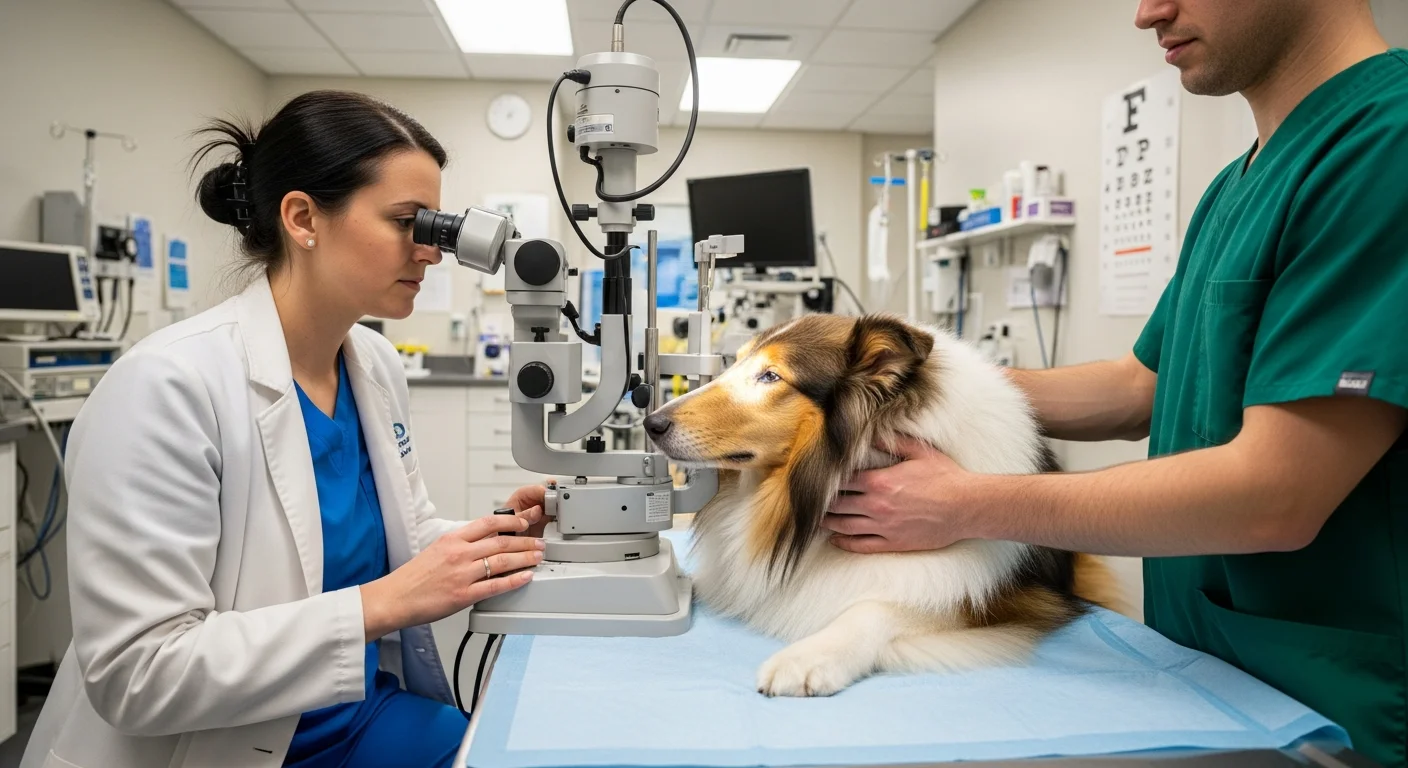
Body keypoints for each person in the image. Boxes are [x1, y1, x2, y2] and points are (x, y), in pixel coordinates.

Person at [823, 1, 1408, 765]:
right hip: (1205, 675)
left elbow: (1277, 494)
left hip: (1335, 708)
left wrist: (968, 504)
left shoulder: (1384, 148)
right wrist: (927, 393)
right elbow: (1142, 385)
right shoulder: (1238, 184)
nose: (1147, 12)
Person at [20, 90, 551, 768]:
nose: (431, 253)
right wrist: (379, 606)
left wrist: (499, 537)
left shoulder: (375, 364)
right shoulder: (168, 385)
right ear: (302, 218)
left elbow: (404, 534)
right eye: (408, 224)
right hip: (218, 745)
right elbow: (138, 673)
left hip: (357, 708)